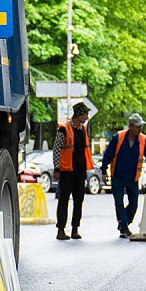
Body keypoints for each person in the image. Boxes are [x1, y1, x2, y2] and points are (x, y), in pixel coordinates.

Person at [101, 111, 146, 238]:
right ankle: (123, 227)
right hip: (117, 177)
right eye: (138, 126)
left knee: (134, 203)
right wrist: (103, 171)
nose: (141, 128)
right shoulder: (118, 138)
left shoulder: (142, 140)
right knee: (119, 203)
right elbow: (107, 155)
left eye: (141, 126)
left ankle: (124, 223)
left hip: (132, 178)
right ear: (130, 126)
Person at [54, 102, 93, 239]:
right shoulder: (64, 129)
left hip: (80, 172)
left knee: (78, 200)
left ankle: (75, 229)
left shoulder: (83, 129)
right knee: (64, 200)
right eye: (85, 114)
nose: (87, 116)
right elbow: (57, 149)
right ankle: (60, 230)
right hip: (67, 171)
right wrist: (57, 168)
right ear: (79, 115)